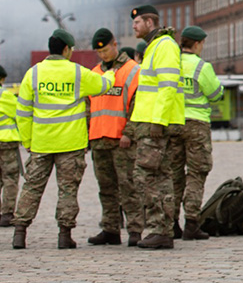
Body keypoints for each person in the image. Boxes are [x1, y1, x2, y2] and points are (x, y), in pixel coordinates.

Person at [11, 29, 111, 249]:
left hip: (41, 143)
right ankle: (64, 235)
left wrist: (27, 141)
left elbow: (23, 112)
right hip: (70, 144)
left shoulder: (34, 73)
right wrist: (111, 73)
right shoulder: (77, 72)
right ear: (66, 49)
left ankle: (20, 232)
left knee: (32, 187)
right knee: (67, 190)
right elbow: (104, 86)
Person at [129, 5, 186, 250]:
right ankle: (162, 228)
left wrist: (158, 121)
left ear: (150, 22)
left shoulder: (164, 47)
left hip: (156, 123)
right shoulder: (155, 47)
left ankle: (159, 227)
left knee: (146, 176)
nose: (134, 26)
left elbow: (168, 86)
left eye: (138, 22)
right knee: (161, 176)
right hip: (150, 122)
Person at [86, 28, 143, 246]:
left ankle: (136, 229)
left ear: (115, 45)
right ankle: (110, 229)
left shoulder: (132, 70)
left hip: (122, 140)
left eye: (106, 50)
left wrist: (129, 132)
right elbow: (89, 106)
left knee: (128, 186)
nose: (103, 55)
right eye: (99, 52)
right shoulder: (95, 74)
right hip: (99, 138)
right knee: (106, 188)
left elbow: (137, 106)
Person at [170, 26, 222, 240]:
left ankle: (170, 221)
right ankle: (191, 222)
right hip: (196, 124)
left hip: (173, 122)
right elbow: (216, 93)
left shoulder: (171, 64)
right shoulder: (202, 66)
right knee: (196, 172)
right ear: (198, 44)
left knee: (173, 174)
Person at [0, 66, 21, 227]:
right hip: (6, 143)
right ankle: (7, 214)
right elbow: (19, 114)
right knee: (10, 178)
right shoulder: (5, 96)